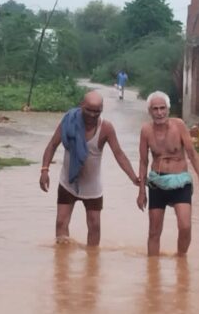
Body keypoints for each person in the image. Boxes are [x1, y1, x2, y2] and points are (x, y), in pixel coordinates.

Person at [40, 90, 139, 246]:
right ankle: (62, 264)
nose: (93, 115)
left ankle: (92, 263)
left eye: (97, 111)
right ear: (81, 105)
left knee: (94, 226)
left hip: (92, 187)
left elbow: (119, 154)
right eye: (89, 110)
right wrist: (44, 170)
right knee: (61, 223)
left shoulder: (106, 128)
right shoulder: (69, 121)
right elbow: (52, 144)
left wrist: (134, 177)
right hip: (68, 181)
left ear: (102, 109)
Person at [137, 91, 199, 256]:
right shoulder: (145, 130)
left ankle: (181, 259)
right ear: (149, 111)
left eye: (162, 108)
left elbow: (192, 154)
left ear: (168, 109)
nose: (159, 113)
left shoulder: (178, 125)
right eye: (155, 109)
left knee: (185, 226)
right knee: (154, 231)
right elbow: (143, 162)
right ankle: (153, 271)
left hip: (180, 182)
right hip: (157, 182)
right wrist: (141, 191)